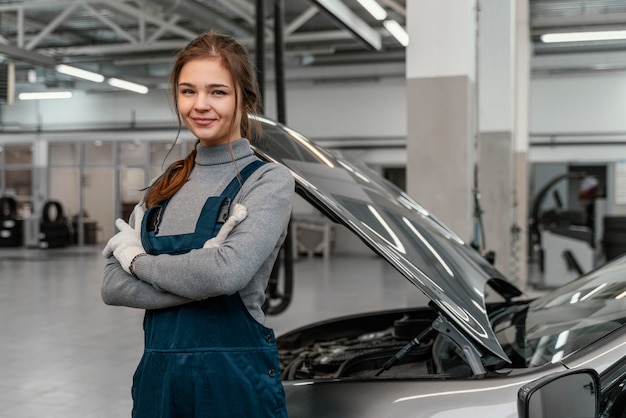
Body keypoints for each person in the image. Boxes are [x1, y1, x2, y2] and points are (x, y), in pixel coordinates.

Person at [101, 31, 294, 418]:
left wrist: (137, 262)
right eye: (188, 91)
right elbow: (111, 285)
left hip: (234, 384)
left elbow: (226, 274)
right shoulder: (163, 187)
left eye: (217, 92)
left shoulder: (267, 181)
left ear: (244, 99)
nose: (200, 105)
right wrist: (198, 275)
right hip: (160, 384)